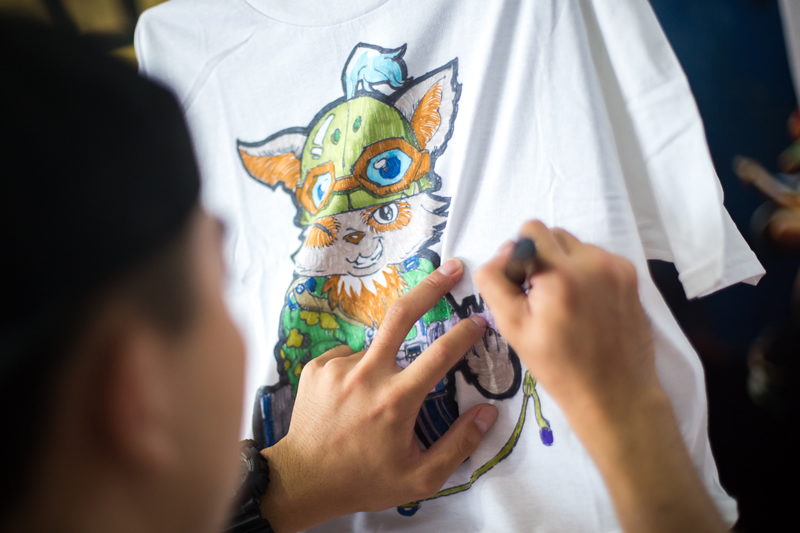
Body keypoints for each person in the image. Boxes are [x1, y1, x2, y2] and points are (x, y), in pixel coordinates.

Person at [0, 18, 726, 533]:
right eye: (220, 275)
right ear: (136, 391)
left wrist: (284, 491)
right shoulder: (184, 43)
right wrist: (629, 415)